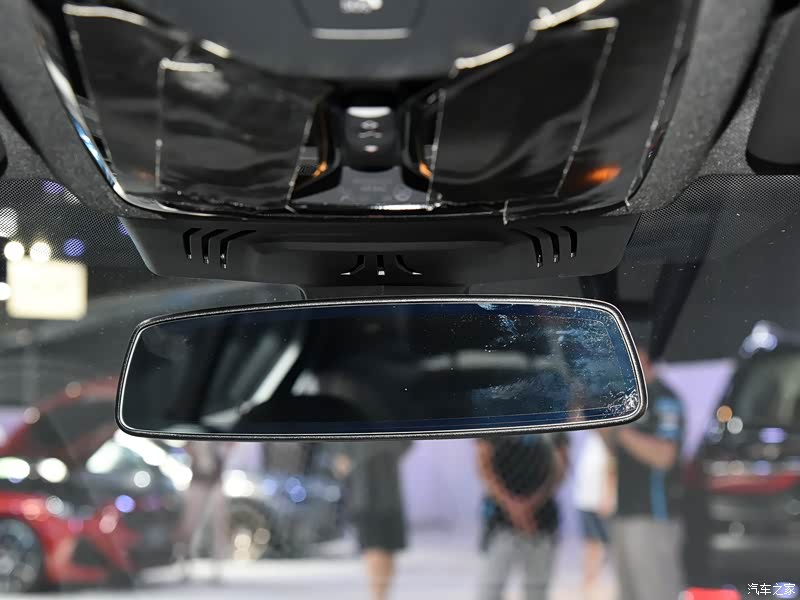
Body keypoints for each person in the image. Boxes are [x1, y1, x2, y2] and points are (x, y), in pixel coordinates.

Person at [602, 348, 685, 600]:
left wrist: (620, 429)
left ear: (643, 357)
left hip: (653, 515)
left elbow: (664, 456)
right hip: (625, 513)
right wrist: (597, 418)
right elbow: (616, 449)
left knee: (655, 592)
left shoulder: (663, 398)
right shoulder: (629, 399)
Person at [476, 432, 568, 600]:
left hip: (541, 520)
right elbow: (483, 462)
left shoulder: (553, 419)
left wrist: (531, 504)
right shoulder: (493, 419)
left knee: (536, 592)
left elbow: (561, 464)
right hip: (500, 521)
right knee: (490, 589)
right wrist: (511, 505)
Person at [337, 441, 411, 600]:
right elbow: (341, 462)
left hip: (383, 492)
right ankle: (379, 597)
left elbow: (406, 443)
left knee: (385, 552)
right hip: (367, 494)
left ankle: (380, 596)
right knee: (376, 550)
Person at [178, 441, 231, 582]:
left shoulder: (221, 437)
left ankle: (217, 568)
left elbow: (230, 446)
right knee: (190, 525)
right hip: (199, 482)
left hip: (216, 482)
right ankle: (185, 565)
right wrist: (194, 454)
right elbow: (185, 445)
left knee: (219, 525)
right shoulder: (196, 435)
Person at [573, 430, 616, 600]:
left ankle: (598, 584)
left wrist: (608, 495)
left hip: (600, 501)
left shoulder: (607, 438)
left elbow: (612, 466)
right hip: (586, 500)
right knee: (591, 544)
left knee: (603, 545)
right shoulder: (592, 439)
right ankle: (589, 582)